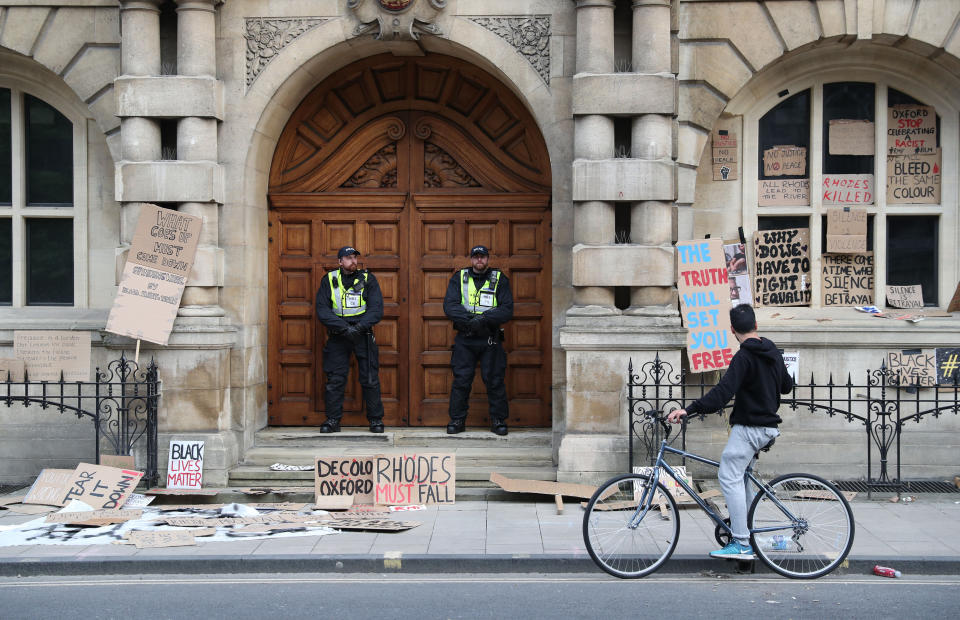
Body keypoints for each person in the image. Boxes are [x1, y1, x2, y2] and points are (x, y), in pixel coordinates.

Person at [666, 304, 794, 559]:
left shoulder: (743, 357)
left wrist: (688, 410)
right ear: (756, 325)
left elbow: (722, 394)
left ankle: (742, 542)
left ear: (732, 330)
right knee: (742, 478)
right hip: (766, 427)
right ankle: (746, 532)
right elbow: (787, 387)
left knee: (728, 476)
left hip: (750, 428)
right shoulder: (773, 351)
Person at [443, 245, 514, 435]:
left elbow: (507, 309)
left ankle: (498, 421)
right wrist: (471, 321)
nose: (479, 260)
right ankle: (457, 421)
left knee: (495, 381)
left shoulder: (499, 279)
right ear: (471, 259)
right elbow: (450, 306)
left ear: (487, 259)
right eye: (476, 257)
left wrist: (483, 319)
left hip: (490, 339)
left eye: (482, 257)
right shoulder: (459, 278)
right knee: (461, 381)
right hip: (466, 339)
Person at [314, 246, 385, 433]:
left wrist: (359, 327)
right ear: (339, 262)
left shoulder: (368, 279)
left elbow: (376, 309)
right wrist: (345, 328)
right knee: (335, 379)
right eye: (348, 258)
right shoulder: (329, 280)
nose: (353, 261)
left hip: (363, 334)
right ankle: (332, 420)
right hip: (339, 335)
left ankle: (376, 420)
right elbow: (322, 310)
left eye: (354, 257)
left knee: (370, 378)